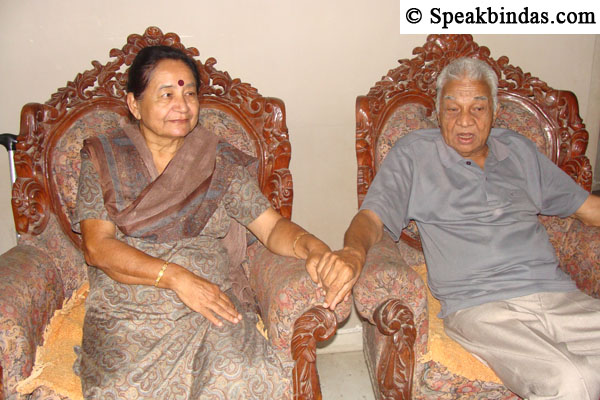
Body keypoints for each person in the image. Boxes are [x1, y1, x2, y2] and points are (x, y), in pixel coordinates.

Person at [315, 57, 600, 399]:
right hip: (481, 307)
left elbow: (589, 209)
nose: (465, 121)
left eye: (478, 108)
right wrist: (352, 252)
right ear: (438, 111)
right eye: (452, 109)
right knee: (572, 378)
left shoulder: (520, 150)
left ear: (494, 110)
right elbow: (372, 218)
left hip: (558, 296)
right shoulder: (414, 154)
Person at [72, 45, 331, 399]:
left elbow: (270, 227)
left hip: (210, 304)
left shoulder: (217, 161)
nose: (182, 105)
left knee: (243, 372)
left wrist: (313, 246)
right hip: (130, 308)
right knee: (124, 390)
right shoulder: (104, 158)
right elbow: (97, 247)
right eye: (167, 95)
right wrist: (177, 278)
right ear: (134, 104)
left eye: (190, 93)